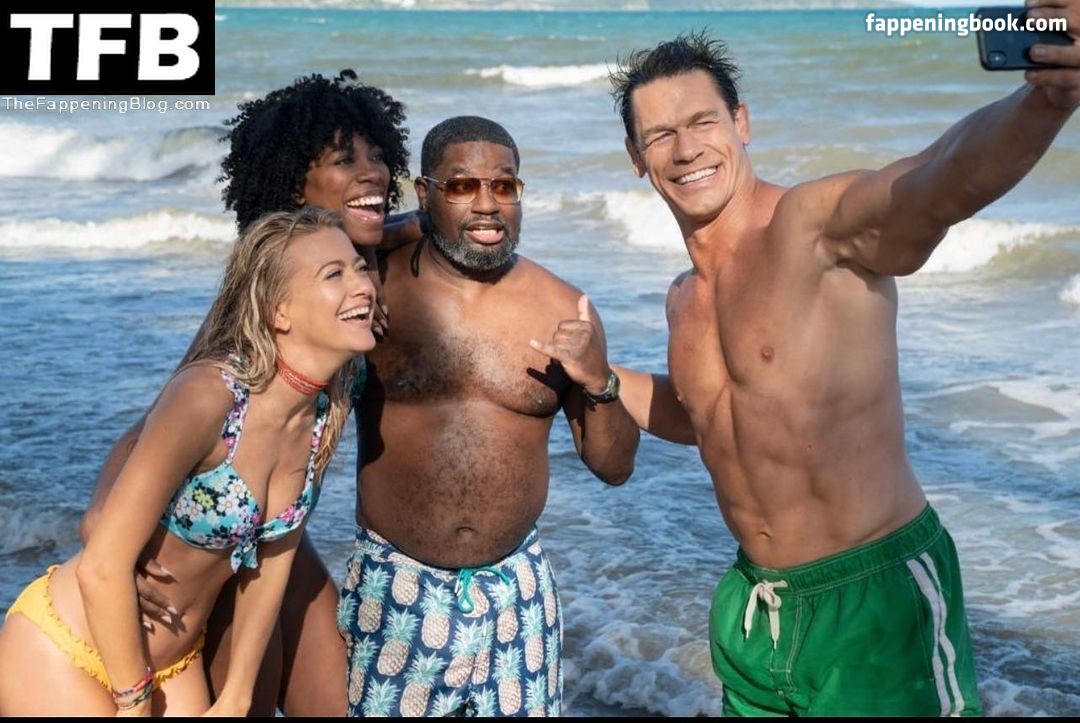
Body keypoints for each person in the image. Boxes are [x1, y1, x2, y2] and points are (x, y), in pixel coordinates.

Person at [606, 7, 1079, 717]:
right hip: (757, 611)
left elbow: (939, 178)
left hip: (876, 602)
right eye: (660, 135)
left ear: (742, 122)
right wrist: (601, 378)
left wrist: (1047, 100)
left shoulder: (813, 229)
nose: (685, 149)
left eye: (703, 121)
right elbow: (707, 414)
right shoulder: (684, 298)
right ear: (636, 157)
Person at [76, 70, 413, 716]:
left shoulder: (368, 263)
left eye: (378, 156)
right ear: (294, 190)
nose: (372, 173)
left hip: (281, 529)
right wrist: (101, 522)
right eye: (345, 161)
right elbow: (166, 415)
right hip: (226, 539)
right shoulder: (267, 301)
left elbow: (417, 223)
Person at [0, 207, 377, 715]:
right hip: (68, 648)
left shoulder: (325, 409)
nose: (362, 286)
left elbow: (274, 557)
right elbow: (101, 565)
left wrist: (238, 693)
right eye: (335, 274)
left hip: (175, 664)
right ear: (279, 311)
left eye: (359, 268)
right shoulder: (208, 396)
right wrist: (133, 703)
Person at [337, 115, 640, 717]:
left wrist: (599, 381)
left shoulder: (565, 309)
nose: (487, 205)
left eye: (504, 186)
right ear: (425, 194)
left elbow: (615, 466)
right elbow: (301, 244)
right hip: (394, 590)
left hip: (518, 597)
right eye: (461, 186)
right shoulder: (373, 290)